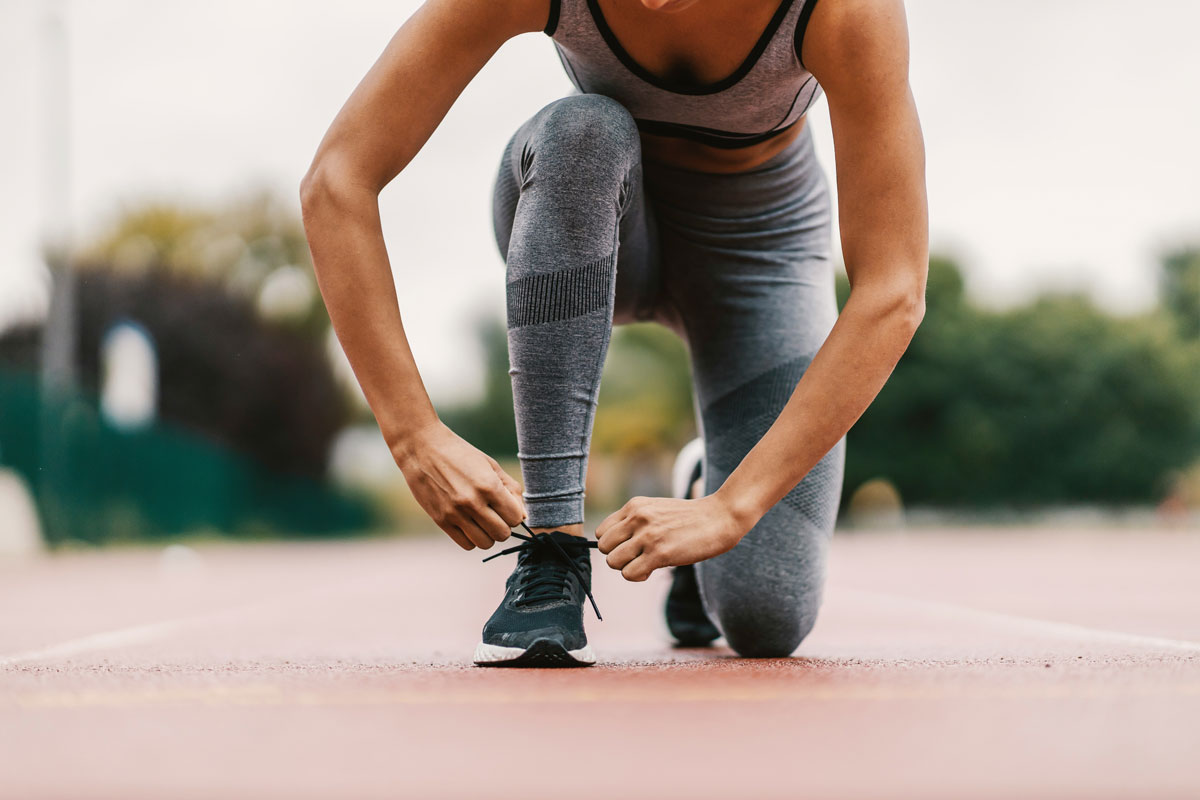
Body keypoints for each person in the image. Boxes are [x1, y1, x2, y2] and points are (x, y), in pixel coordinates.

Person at [300, 0, 928, 666]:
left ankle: (700, 484)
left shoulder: (844, 10)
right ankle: (552, 554)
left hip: (759, 251)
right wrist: (411, 433)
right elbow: (336, 180)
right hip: (593, 213)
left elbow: (893, 292)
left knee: (767, 617)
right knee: (586, 129)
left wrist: (731, 505)